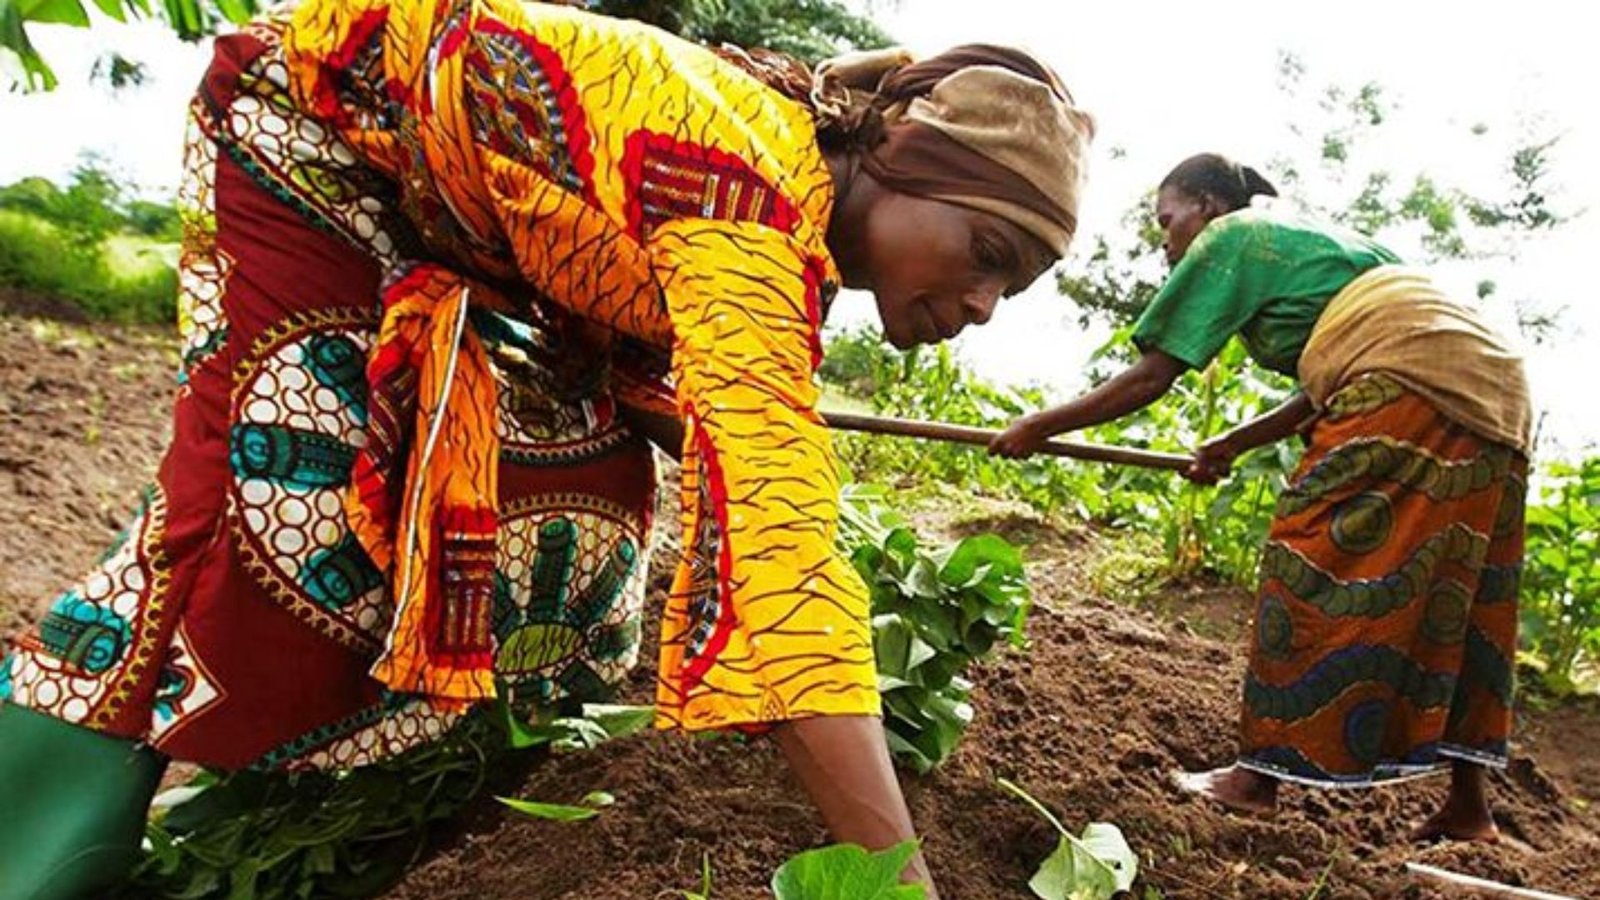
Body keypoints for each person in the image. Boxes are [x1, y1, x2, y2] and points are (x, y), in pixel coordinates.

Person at [0, 1, 1094, 896]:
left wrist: (744, 477)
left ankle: (363, 804)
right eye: (985, 251)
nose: (987, 303)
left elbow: (688, 397)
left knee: (581, 505)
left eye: (1015, 286)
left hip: (454, 222)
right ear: (902, 161)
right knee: (278, 505)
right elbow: (780, 568)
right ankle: (37, 849)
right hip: (306, 131)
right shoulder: (750, 214)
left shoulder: (782, 202)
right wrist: (896, 884)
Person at [990, 152, 1529, 842]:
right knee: (1464, 586)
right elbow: (1319, 390)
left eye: (1168, 219)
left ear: (1210, 207)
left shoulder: (1233, 234)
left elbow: (1153, 375)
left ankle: (1254, 782)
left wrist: (1041, 425)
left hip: (1406, 378)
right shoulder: (1335, 248)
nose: (1166, 238)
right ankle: (1470, 808)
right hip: (1499, 392)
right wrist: (1231, 445)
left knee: (1309, 553)